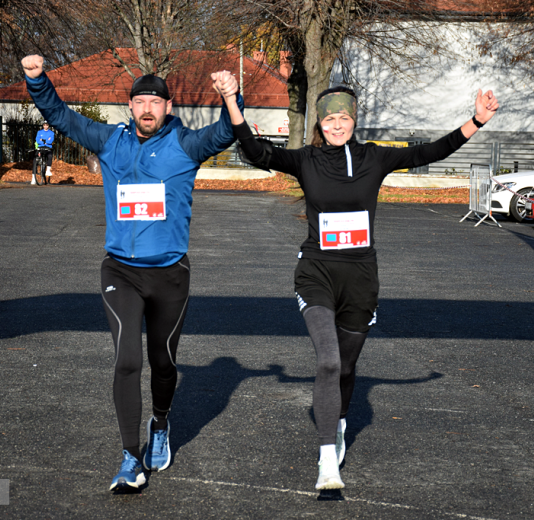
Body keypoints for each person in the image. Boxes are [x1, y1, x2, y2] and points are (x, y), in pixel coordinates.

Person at [212, 71, 498, 490]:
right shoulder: (306, 160)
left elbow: (431, 151)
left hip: (361, 279)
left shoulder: (374, 159)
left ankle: (339, 421)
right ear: (320, 123)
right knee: (328, 360)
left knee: (345, 367)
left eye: (343, 118)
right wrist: (231, 100)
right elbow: (256, 151)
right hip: (316, 272)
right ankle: (327, 459)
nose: (337, 126)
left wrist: (477, 121)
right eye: (329, 120)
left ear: (354, 120)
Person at [22, 55, 244, 492]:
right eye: (140, 101)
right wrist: (36, 79)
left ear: (168, 106)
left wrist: (230, 97)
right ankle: (130, 458)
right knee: (127, 359)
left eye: (155, 102)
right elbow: (60, 116)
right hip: (121, 271)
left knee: (163, 362)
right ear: (129, 106)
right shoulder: (110, 141)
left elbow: (226, 132)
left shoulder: (185, 144)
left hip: (170, 275)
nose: (147, 109)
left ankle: (160, 422)